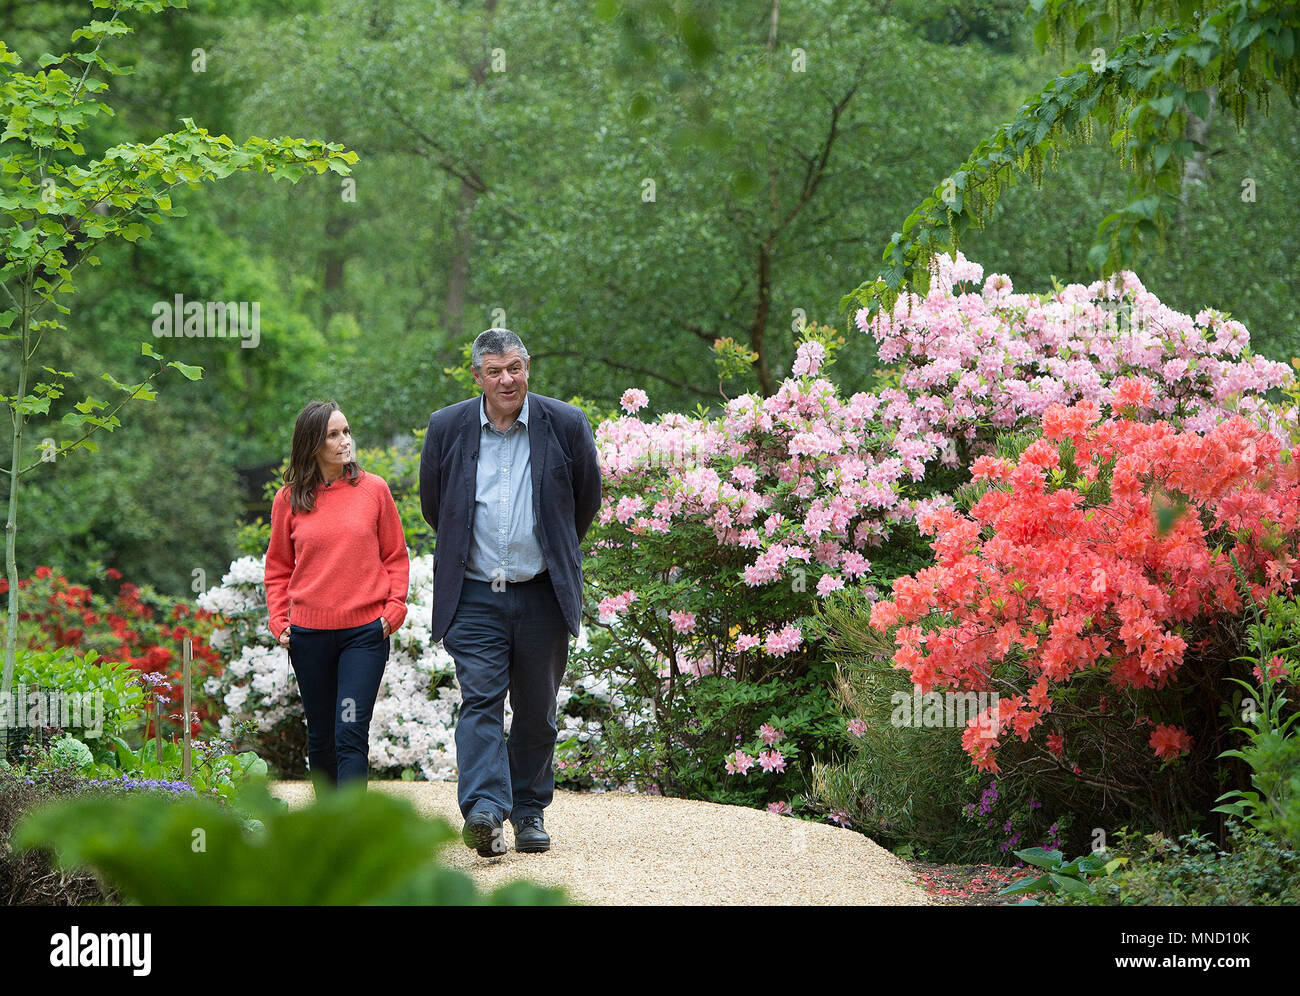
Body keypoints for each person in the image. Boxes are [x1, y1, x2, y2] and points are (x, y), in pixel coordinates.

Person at [419, 328, 601, 856]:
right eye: (494, 371)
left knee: (537, 708)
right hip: (474, 594)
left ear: (528, 369)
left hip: (541, 592)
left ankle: (528, 812)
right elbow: (439, 507)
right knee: (479, 700)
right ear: (477, 376)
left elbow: (583, 501)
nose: (507, 379)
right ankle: (483, 810)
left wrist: (549, 550)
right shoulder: (447, 427)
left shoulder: (565, 424)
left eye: (515, 368)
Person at [264, 400, 410, 791]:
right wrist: (280, 622)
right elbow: (278, 567)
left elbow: (395, 555)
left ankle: (351, 834)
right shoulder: (289, 499)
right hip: (309, 637)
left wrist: (393, 611)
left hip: (364, 634)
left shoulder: (374, 490)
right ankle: (327, 829)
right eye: (333, 434)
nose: (345, 441)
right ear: (312, 444)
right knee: (322, 739)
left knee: (349, 732)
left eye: (346, 431)